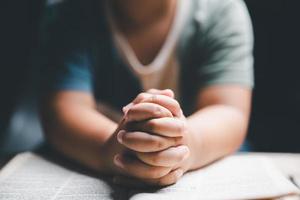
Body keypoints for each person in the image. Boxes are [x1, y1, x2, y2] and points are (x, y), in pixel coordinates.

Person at [40, 0, 253, 186]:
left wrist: (186, 144)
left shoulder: (220, 12)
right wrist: (112, 148)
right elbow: (62, 112)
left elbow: (228, 110)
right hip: (95, 154)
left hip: (203, 161)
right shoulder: (70, 15)